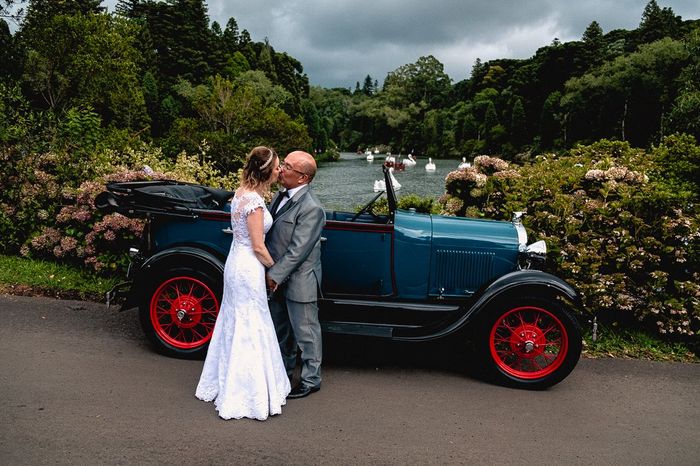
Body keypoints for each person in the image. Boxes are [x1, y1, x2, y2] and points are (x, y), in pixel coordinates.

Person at [195, 146, 291, 420]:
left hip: (236, 260)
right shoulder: (255, 203)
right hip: (248, 265)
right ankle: (246, 390)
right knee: (251, 321)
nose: (279, 171)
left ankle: (227, 377)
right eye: (276, 168)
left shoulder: (240, 194)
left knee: (235, 319)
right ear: (266, 172)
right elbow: (259, 247)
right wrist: (277, 270)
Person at [265, 150, 325, 399]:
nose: (281, 169)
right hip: (278, 280)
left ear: (303, 178)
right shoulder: (279, 197)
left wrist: (273, 275)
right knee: (281, 331)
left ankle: (311, 380)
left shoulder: (312, 208)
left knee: (306, 334)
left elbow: (298, 250)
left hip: (298, 280)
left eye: (287, 167)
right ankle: (284, 374)